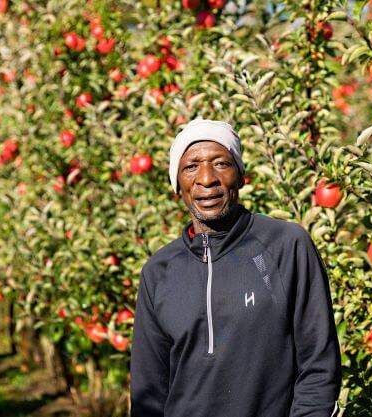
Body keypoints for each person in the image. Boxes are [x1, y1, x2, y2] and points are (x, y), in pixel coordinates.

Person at [130, 118, 341, 417]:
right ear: (177, 185)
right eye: (191, 166)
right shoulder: (159, 271)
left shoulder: (286, 245)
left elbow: (318, 364)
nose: (206, 178)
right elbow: (148, 391)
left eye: (221, 163)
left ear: (241, 175)